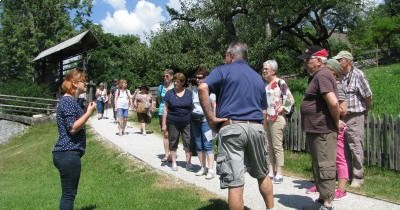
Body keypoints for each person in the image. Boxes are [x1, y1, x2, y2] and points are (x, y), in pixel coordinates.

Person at [199, 42, 274, 210]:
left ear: (231, 55)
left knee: (235, 182)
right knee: (263, 174)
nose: (224, 59)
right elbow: (263, 110)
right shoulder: (257, 77)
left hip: (232, 128)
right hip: (256, 128)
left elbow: (203, 87)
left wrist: (210, 119)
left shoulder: (222, 70)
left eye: (225, 56)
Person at [298, 46, 340, 210]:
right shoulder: (317, 76)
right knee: (318, 165)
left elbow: (333, 102)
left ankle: (328, 203)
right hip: (315, 129)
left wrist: (336, 122)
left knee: (325, 166)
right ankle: (323, 199)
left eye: (308, 59)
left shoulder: (322, 75)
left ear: (319, 60)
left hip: (323, 129)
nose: (305, 62)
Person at [52, 69, 96, 210]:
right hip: (68, 153)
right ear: (74, 83)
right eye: (83, 81)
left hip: (68, 153)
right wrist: (88, 113)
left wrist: (85, 112)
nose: (86, 83)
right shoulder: (68, 101)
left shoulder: (71, 101)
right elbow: (72, 128)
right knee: (69, 195)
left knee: (69, 193)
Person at [306, 59, 350, 201]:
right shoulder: (325, 83)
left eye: (329, 70)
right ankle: (323, 191)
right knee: (325, 160)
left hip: (334, 125)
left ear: (334, 72)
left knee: (336, 159)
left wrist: (337, 119)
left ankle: (339, 189)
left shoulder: (336, 86)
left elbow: (341, 107)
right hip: (327, 124)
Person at [332, 50, 373, 188]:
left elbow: (368, 95)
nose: (338, 62)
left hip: (355, 115)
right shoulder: (340, 76)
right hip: (342, 116)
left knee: (356, 146)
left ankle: (358, 176)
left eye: (340, 60)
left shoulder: (358, 75)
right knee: (342, 148)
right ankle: (345, 175)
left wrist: (365, 112)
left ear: (347, 61)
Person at [262, 60, 295, 184]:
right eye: (263, 69)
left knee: (277, 146)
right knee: (268, 146)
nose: (264, 71)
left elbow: (289, 99)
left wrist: (282, 108)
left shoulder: (280, 83)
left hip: (277, 119)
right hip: (267, 119)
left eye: (266, 69)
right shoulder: (265, 85)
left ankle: (279, 172)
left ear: (274, 71)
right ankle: (271, 170)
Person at [162, 73, 194, 171]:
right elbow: (165, 109)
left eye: (178, 81)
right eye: (174, 81)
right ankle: (174, 163)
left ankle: (188, 162)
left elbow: (192, 107)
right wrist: (164, 124)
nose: (175, 83)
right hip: (173, 122)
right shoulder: (169, 93)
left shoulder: (189, 93)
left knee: (188, 142)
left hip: (187, 122)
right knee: (173, 141)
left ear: (183, 82)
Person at [191, 68, 216, 179]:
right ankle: (203, 167)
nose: (198, 79)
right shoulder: (194, 91)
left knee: (207, 144)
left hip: (206, 120)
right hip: (195, 119)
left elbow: (214, 106)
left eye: (200, 77)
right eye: (196, 78)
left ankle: (211, 169)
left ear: (206, 78)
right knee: (199, 144)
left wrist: (214, 121)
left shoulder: (210, 90)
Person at [158, 69, 174, 162]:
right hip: (161, 112)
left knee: (173, 134)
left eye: (167, 76)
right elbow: (160, 99)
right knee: (165, 133)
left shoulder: (174, 86)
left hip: (173, 112)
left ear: (172, 77)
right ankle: (166, 154)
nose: (165, 78)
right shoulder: (160, 87)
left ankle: (173, 154)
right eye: (164, 76)